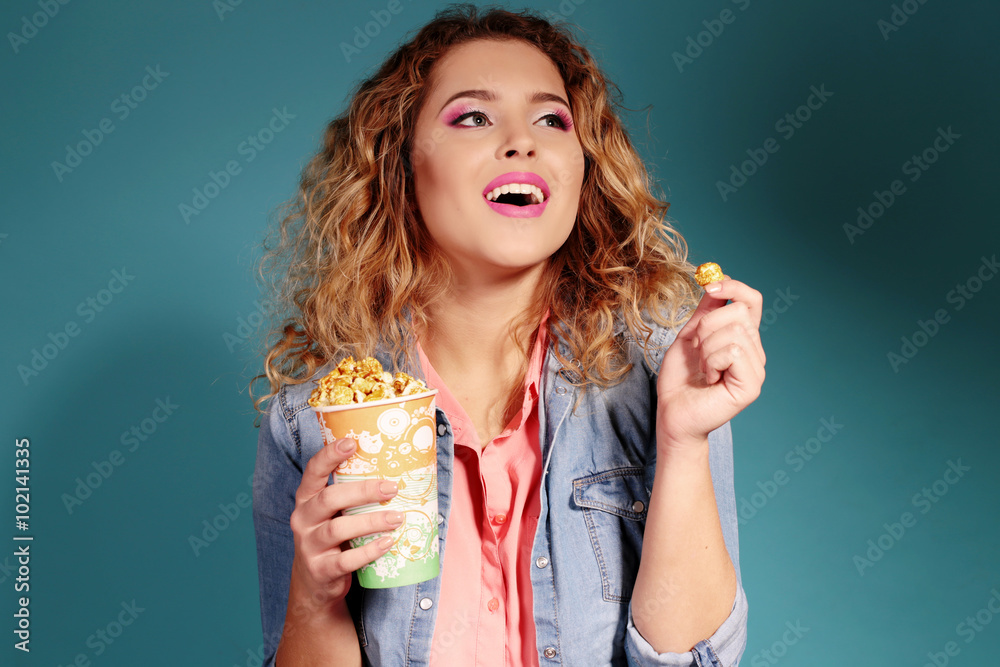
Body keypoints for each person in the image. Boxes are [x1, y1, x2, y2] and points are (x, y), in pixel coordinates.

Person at [251, 4, 765, 666]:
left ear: (584, 169)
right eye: (473, 116)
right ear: (401, 163)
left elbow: (695, 660)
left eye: (552, 119)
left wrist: (685, 438)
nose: (523, 140)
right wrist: (314, 598)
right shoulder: (311, 421)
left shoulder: (665, 373)